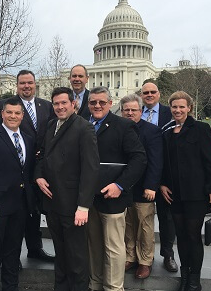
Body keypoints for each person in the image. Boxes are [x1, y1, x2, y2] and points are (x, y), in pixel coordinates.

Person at [35, 87, 100, 291]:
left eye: (64, 103)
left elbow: (91, 170)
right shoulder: (51, 124)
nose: (60, 107)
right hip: (53, 203)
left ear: (74, 104)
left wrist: (83, 206)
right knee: (60, 254)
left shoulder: (84, 128)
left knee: (77, 258)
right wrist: (38, 176)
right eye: (56, 103)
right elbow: (42, 154)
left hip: (73, 206)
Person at [0, 70, 56, 262]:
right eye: (22, 83)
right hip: (15, 166)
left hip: (40, 168)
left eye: (29, 83)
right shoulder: (6, 104)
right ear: (17, 85)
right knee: (14, 213)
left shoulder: (46, 105)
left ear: (35, 84)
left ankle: (35, 249)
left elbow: (52, 131)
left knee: (33, 210)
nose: (26, 86)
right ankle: (12, 256)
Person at [160, 91, 211, 291]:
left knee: (193, 235)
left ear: (189, 108)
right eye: (174, 107)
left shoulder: (201, 129)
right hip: (174, 194)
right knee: (181, 236)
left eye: (181, 106)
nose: (177, 110)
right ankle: (185, 275)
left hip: (195, 193)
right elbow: (163, 163)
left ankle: (195, 280)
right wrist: (161, 184)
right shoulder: (167, 132)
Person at [87, 86, 147, 291]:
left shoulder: (123, 126)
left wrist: (120, 185)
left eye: (102, 102)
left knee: (113, 246)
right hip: (88, 197)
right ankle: (95, 284)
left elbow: (139, 158)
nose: (97, 105)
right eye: (93, 102)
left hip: (113, 196)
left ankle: (113, 287)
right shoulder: (83, 125)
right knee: (93, 244)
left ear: (110, 104)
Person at [0, 97, 36, 291]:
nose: (13, 116)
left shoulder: (28, 139)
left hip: (20, 206)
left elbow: (26, 172)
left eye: (17, 113)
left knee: (13, 251)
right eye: (9, 112)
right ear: (2, 114)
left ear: (22, 115)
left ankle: (11, 287)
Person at [120, 94, 162, 280]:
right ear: (122, 111)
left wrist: (151, 185)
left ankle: (145, 260)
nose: (130, 113)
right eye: (126, 110)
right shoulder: (118, 129)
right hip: (124, 187)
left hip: (144, 187)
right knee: (127, 225)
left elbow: (155, 161)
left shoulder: (151, 131)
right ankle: (130, 256)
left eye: (133, 110)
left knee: (145, 226)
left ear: (141, 111)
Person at [140, 82, 178, 273]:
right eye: (145, 92)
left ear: (159, 94)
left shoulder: (169, 113)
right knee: (140, 219)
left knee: (166, 217)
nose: (149, 95)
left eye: (152, 92)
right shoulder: (134, 112)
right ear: (141, 95)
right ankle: (142, 255)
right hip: (141, 174)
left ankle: (168, 254)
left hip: (165, 173)